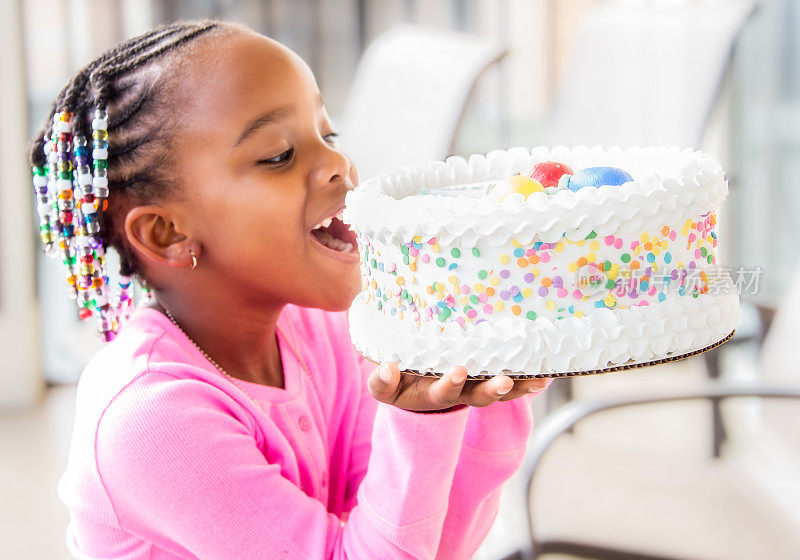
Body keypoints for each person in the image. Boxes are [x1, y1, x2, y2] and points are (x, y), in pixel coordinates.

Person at [32, 20, 550, 559]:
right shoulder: (148, 420)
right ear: (167, 232)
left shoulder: (322, 333)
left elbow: (428, 544)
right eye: (279, 154)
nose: (337, 165)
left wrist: (483, 388)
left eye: (328, 136)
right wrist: (417, 420)